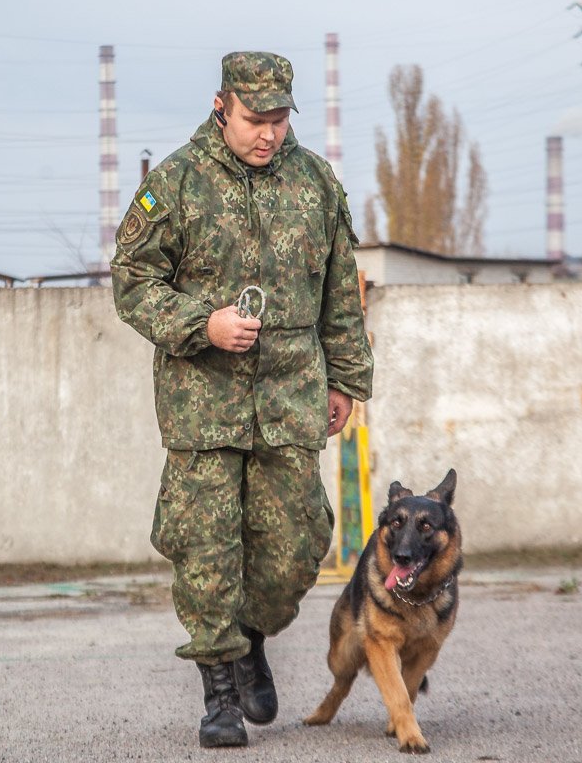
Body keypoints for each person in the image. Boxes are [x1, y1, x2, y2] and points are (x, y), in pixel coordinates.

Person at [110, 51, 373, 749]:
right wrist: (205, 324)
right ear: (222, 105)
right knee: (207, 551)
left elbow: (340, 293)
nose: (270, 135)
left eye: (281, 119)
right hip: (205, 404)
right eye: (256, 120)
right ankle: (220, 694)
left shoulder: (315, 182)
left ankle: (252, 633)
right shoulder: (175, 183)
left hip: (290, 397)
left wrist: (346, 380)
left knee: (297, 544)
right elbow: (132, 281)